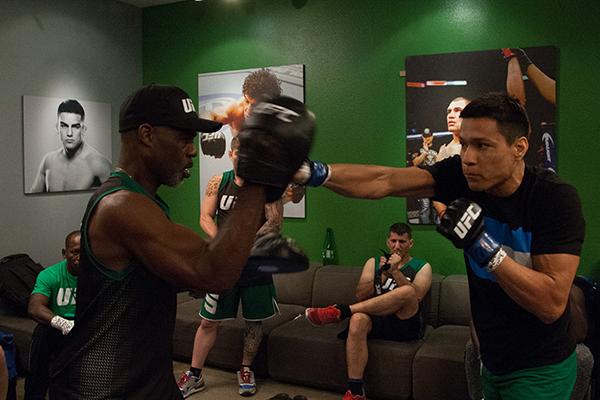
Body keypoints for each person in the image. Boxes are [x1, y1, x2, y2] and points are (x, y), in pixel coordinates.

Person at [296, 92, 585, 399]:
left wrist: (481, 245)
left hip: (540, 366)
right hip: (491, 359)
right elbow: (386, 180)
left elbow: (551, 304)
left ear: (519, 148)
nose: (469, 157)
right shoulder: (462, 174)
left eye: (483, 145)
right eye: (466, 144)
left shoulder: (554, 199)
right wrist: (312, 173)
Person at [48, 85, 314, 399]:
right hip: (104, 389)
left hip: (148, 383)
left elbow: (194, 271)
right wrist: (257, 177)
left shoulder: (147, 203)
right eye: (183, 139)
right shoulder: (120, 205)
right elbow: (211, 273)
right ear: (147, 135)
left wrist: (238, 259)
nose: (191, 151)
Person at [177, 137, 284, 398]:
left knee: (253, 321)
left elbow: (274, 222)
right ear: (231, 153)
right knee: (208, 321)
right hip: (223, 265)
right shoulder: (218, 181)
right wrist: (223, 244)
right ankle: (195, 374)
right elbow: (205, 216)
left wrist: (245, 245)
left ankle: (246, 369)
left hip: (254, 265)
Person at [305, 223, 432, 400]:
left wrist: (395, 272)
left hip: (406, 322)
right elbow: (360, 294)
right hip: (378, 319)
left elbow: (417, 297)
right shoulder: (373, 262)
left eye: (402, 241)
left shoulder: (422, 266)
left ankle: (342, 311)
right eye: (393, 241)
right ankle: (355, 390)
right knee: (357, 319)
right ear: (388, 242)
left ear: (410, 243)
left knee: (408, 291)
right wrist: (381, 274)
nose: (397, 246)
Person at [25, 230, 80, 400]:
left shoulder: (96, 275)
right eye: (75, 252)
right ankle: (35, 394)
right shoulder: (50, 275)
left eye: (85, 252)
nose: (80, 257)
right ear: (65, 253)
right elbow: (34, 307)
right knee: (41, 334)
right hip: (59, 325)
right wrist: (62, 323)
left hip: (86, 325)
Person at [30, 99, 112, 193]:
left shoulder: (98, 164)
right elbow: (31, 201)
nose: (69, 133)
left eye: (75, 127)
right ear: (57, 128)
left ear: (83, 129)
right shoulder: (48, 161)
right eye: (64, 126)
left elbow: (117, 200)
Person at [209, 68, 282, 136]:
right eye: (247, 101)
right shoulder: (236, 110)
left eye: (255, 105)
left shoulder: (278, 121)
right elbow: (210, 117)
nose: (248, 109)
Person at [432, 96, 470, 218]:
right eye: (449, 111)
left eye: (457, 110)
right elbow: (435, 189)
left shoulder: (481, 149)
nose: (451, 115)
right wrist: (445, 216)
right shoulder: (443, 151)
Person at [411, 129, 438, 223]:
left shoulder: (438, 146)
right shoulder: (417, 148)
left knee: (436, 208)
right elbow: (415, 163)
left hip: (436, 183)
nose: (427, 138)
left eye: (429, 136)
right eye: (425, 136)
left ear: (432, 136)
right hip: (424, 183)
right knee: (425, 208)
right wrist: (425, 153)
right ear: (422, 137)